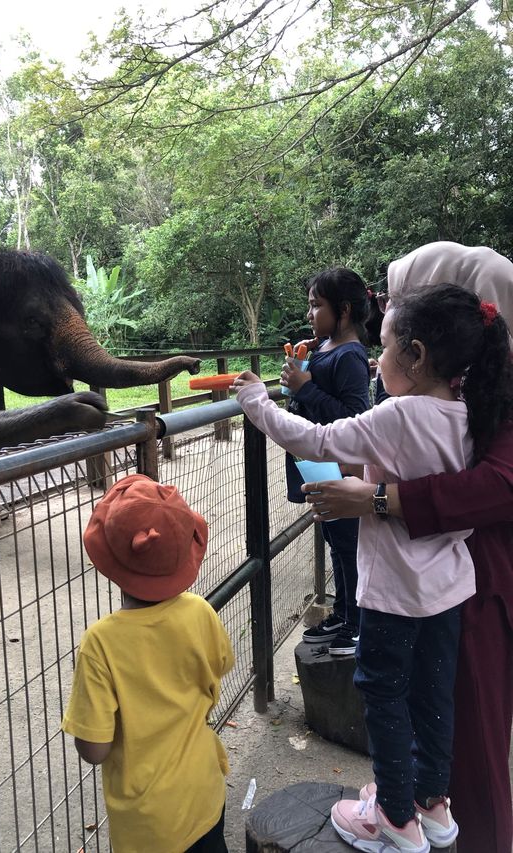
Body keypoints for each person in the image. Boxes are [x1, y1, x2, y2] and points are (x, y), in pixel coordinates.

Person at [232, 283, 513, 853]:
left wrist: (256, 401)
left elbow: (313, 437)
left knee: (382, 692)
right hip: (449, 590)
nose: (375, 362)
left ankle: (391, 816)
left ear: (414, 356)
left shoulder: (398, 414)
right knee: (432, 695)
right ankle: (431, 805)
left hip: (393, 592)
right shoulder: (466, 413)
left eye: (382, 349)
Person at [61, 474, 235, 853]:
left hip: (147, 823)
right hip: (205, 793)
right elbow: (221, 664)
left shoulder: (101, 644)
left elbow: (95, 750)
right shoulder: (200, 611)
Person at [282, 267, 370, 656]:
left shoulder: (350, 356)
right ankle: (343, 611)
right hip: (315, 463)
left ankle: (358, 623)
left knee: (349, 545)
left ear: (344, 311)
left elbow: (353, 417)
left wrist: (307, 387)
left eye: (316, 306)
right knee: (335, 543)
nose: (309, 314)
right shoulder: (324, 348)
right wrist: (302, 367)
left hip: (337, 467)